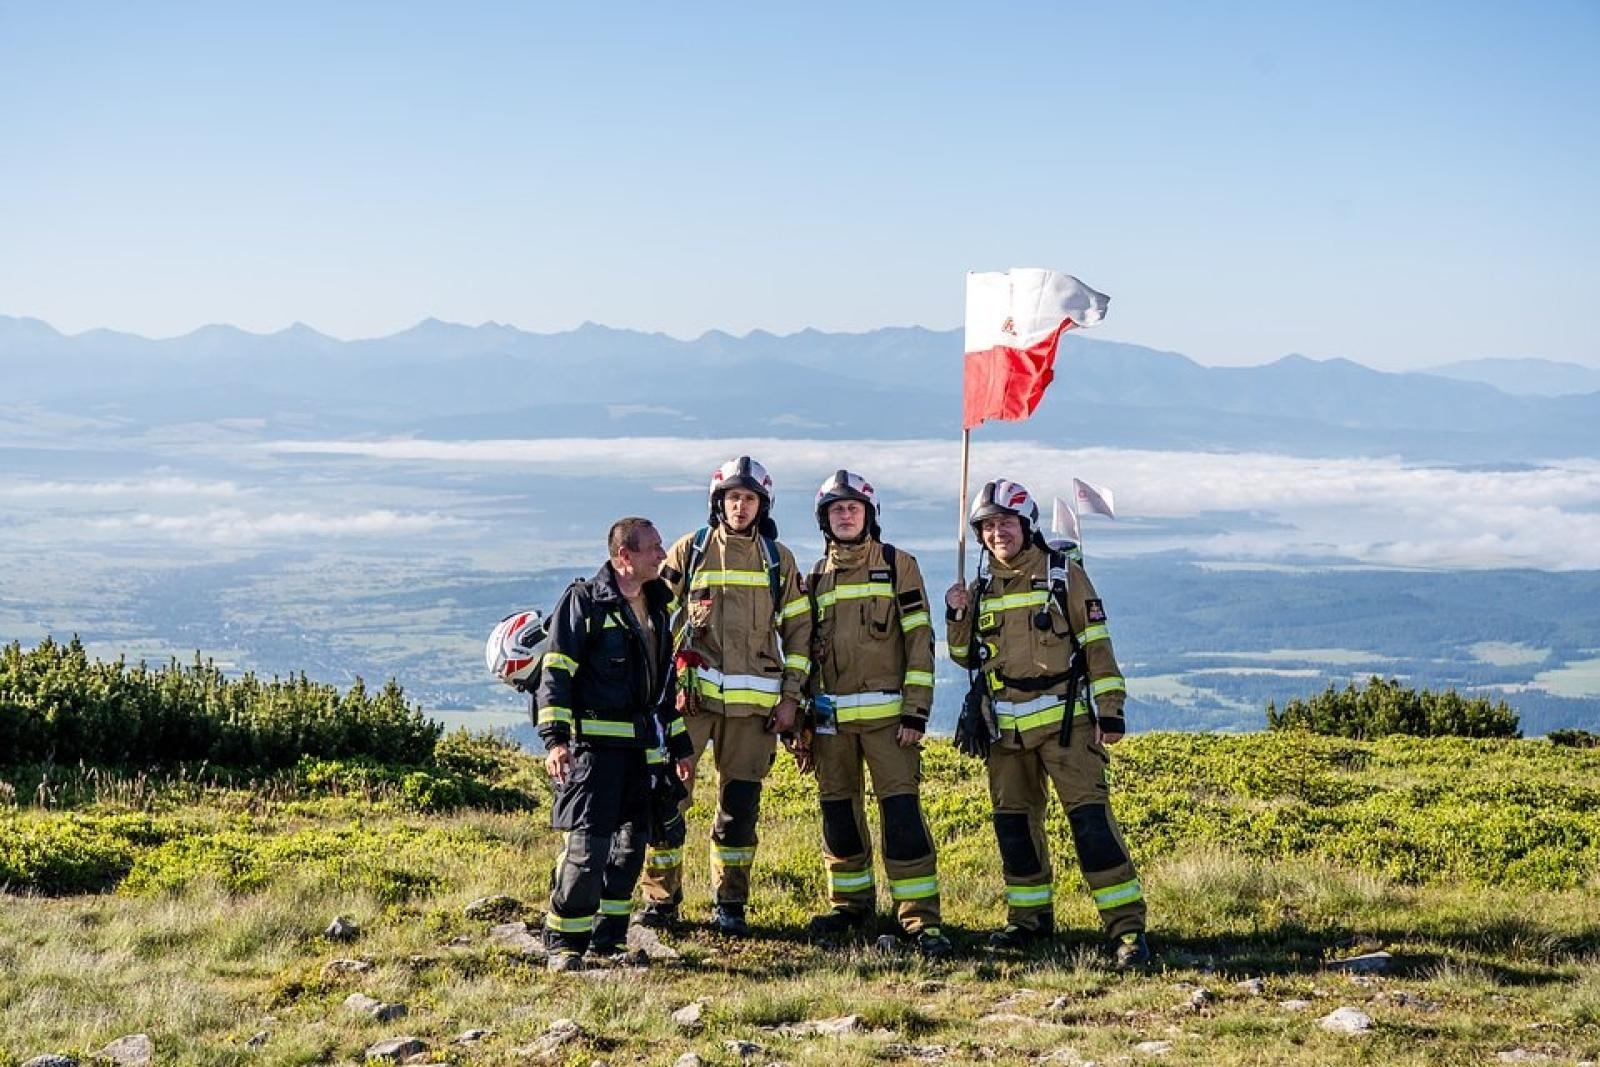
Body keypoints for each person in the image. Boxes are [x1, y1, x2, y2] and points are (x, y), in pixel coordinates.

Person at [944, 479, 1151, 969]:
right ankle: (1029, 922)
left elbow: (1096, 644)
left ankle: (1127, 931)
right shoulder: (980, 589)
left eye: (1006, 524)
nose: (998, 534)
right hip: (1005, 734)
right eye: (988, 526)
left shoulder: (1064, 575)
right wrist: (956, 616)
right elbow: (963, 657)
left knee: (1091, 826)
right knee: (1014, 829)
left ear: (1027, 525)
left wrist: (1111, 709)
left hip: (1068, 726)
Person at [638, 456, 812, 936]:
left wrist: (791, 700)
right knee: (669, 800)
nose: (740, 506)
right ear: (718, 502)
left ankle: (731, 903)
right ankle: (660, 899)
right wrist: (654, 687)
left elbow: (799, 634)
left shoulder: (779, 560)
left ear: (763, 505)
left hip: (754, 713)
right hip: (689, 706)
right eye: (733, 498)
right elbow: (653, 617)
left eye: (749, 499)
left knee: (739, 811)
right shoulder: (690, 551)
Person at [797, 470, 952, 957]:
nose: (845, 516)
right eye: (836, 510)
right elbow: (801, 653)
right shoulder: (814, 577)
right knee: (838, 815)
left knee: (901, 816)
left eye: (853, 508)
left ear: (870, 514)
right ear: (825, 520)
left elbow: (920, 642)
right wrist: (802, 724)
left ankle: (919, 919)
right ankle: (850, 907)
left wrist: (915, 712)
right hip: (831, 727)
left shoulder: (898, 565)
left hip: (892, 725)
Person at [536, 517, 695, 973]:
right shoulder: (584, 602)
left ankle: (608, 941)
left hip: (642, 754)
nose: (662, 555)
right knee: (588, 850)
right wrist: (556, 740)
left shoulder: (659, 606)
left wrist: (679, 745)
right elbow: (557, 673)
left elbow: (665, 687)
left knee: (630, 850)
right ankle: (565, 941)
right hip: (592, 753)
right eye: (653, 548)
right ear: (624, 556)